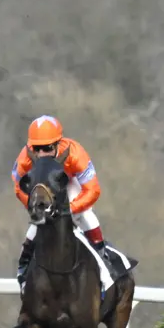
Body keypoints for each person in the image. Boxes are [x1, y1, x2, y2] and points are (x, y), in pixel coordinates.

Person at [12, 115, 121, 293]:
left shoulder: (75, 154)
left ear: (58, 144)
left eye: (47, 148)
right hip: (43, 189)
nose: (42, 154)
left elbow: (93, 190)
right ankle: (23, 267)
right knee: (37, 223)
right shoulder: (25, 159)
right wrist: (36, 208)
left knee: (85, 215)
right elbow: (19, 189)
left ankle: (103, 259)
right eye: (37, 149)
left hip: (68, 183)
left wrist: (70, 209)